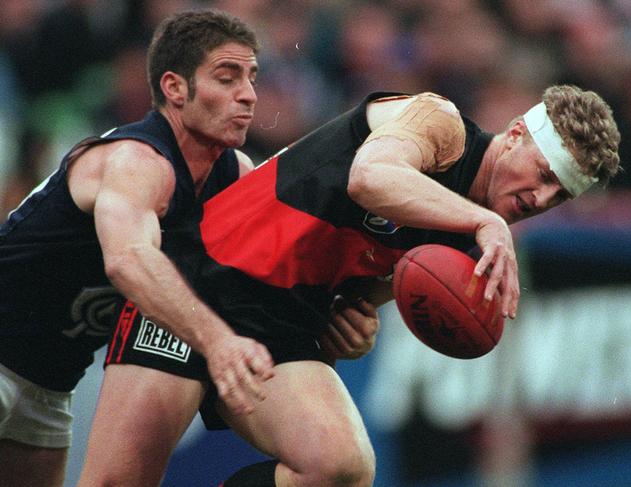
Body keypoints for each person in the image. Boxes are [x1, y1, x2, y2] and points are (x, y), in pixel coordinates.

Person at [80, 85, 621, 487]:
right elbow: (372, 177)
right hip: (206, 277)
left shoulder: (468, 247)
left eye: (561, 197)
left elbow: (358, 300)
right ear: (517, 134)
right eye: (545, 175)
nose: (542, 200)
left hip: (286, 320)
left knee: (341, 468)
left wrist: (356, 325)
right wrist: (485, 222)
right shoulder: (442, 125)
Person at [0, 10, 376, 487]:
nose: (249, 94)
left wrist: (338, 320)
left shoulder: (234, 176)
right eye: (227, 76)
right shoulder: (137, 161)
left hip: (50, 386)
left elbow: (277, 282)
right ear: (175, 88)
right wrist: (218, 343)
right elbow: (128, 260)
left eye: (252, 77)